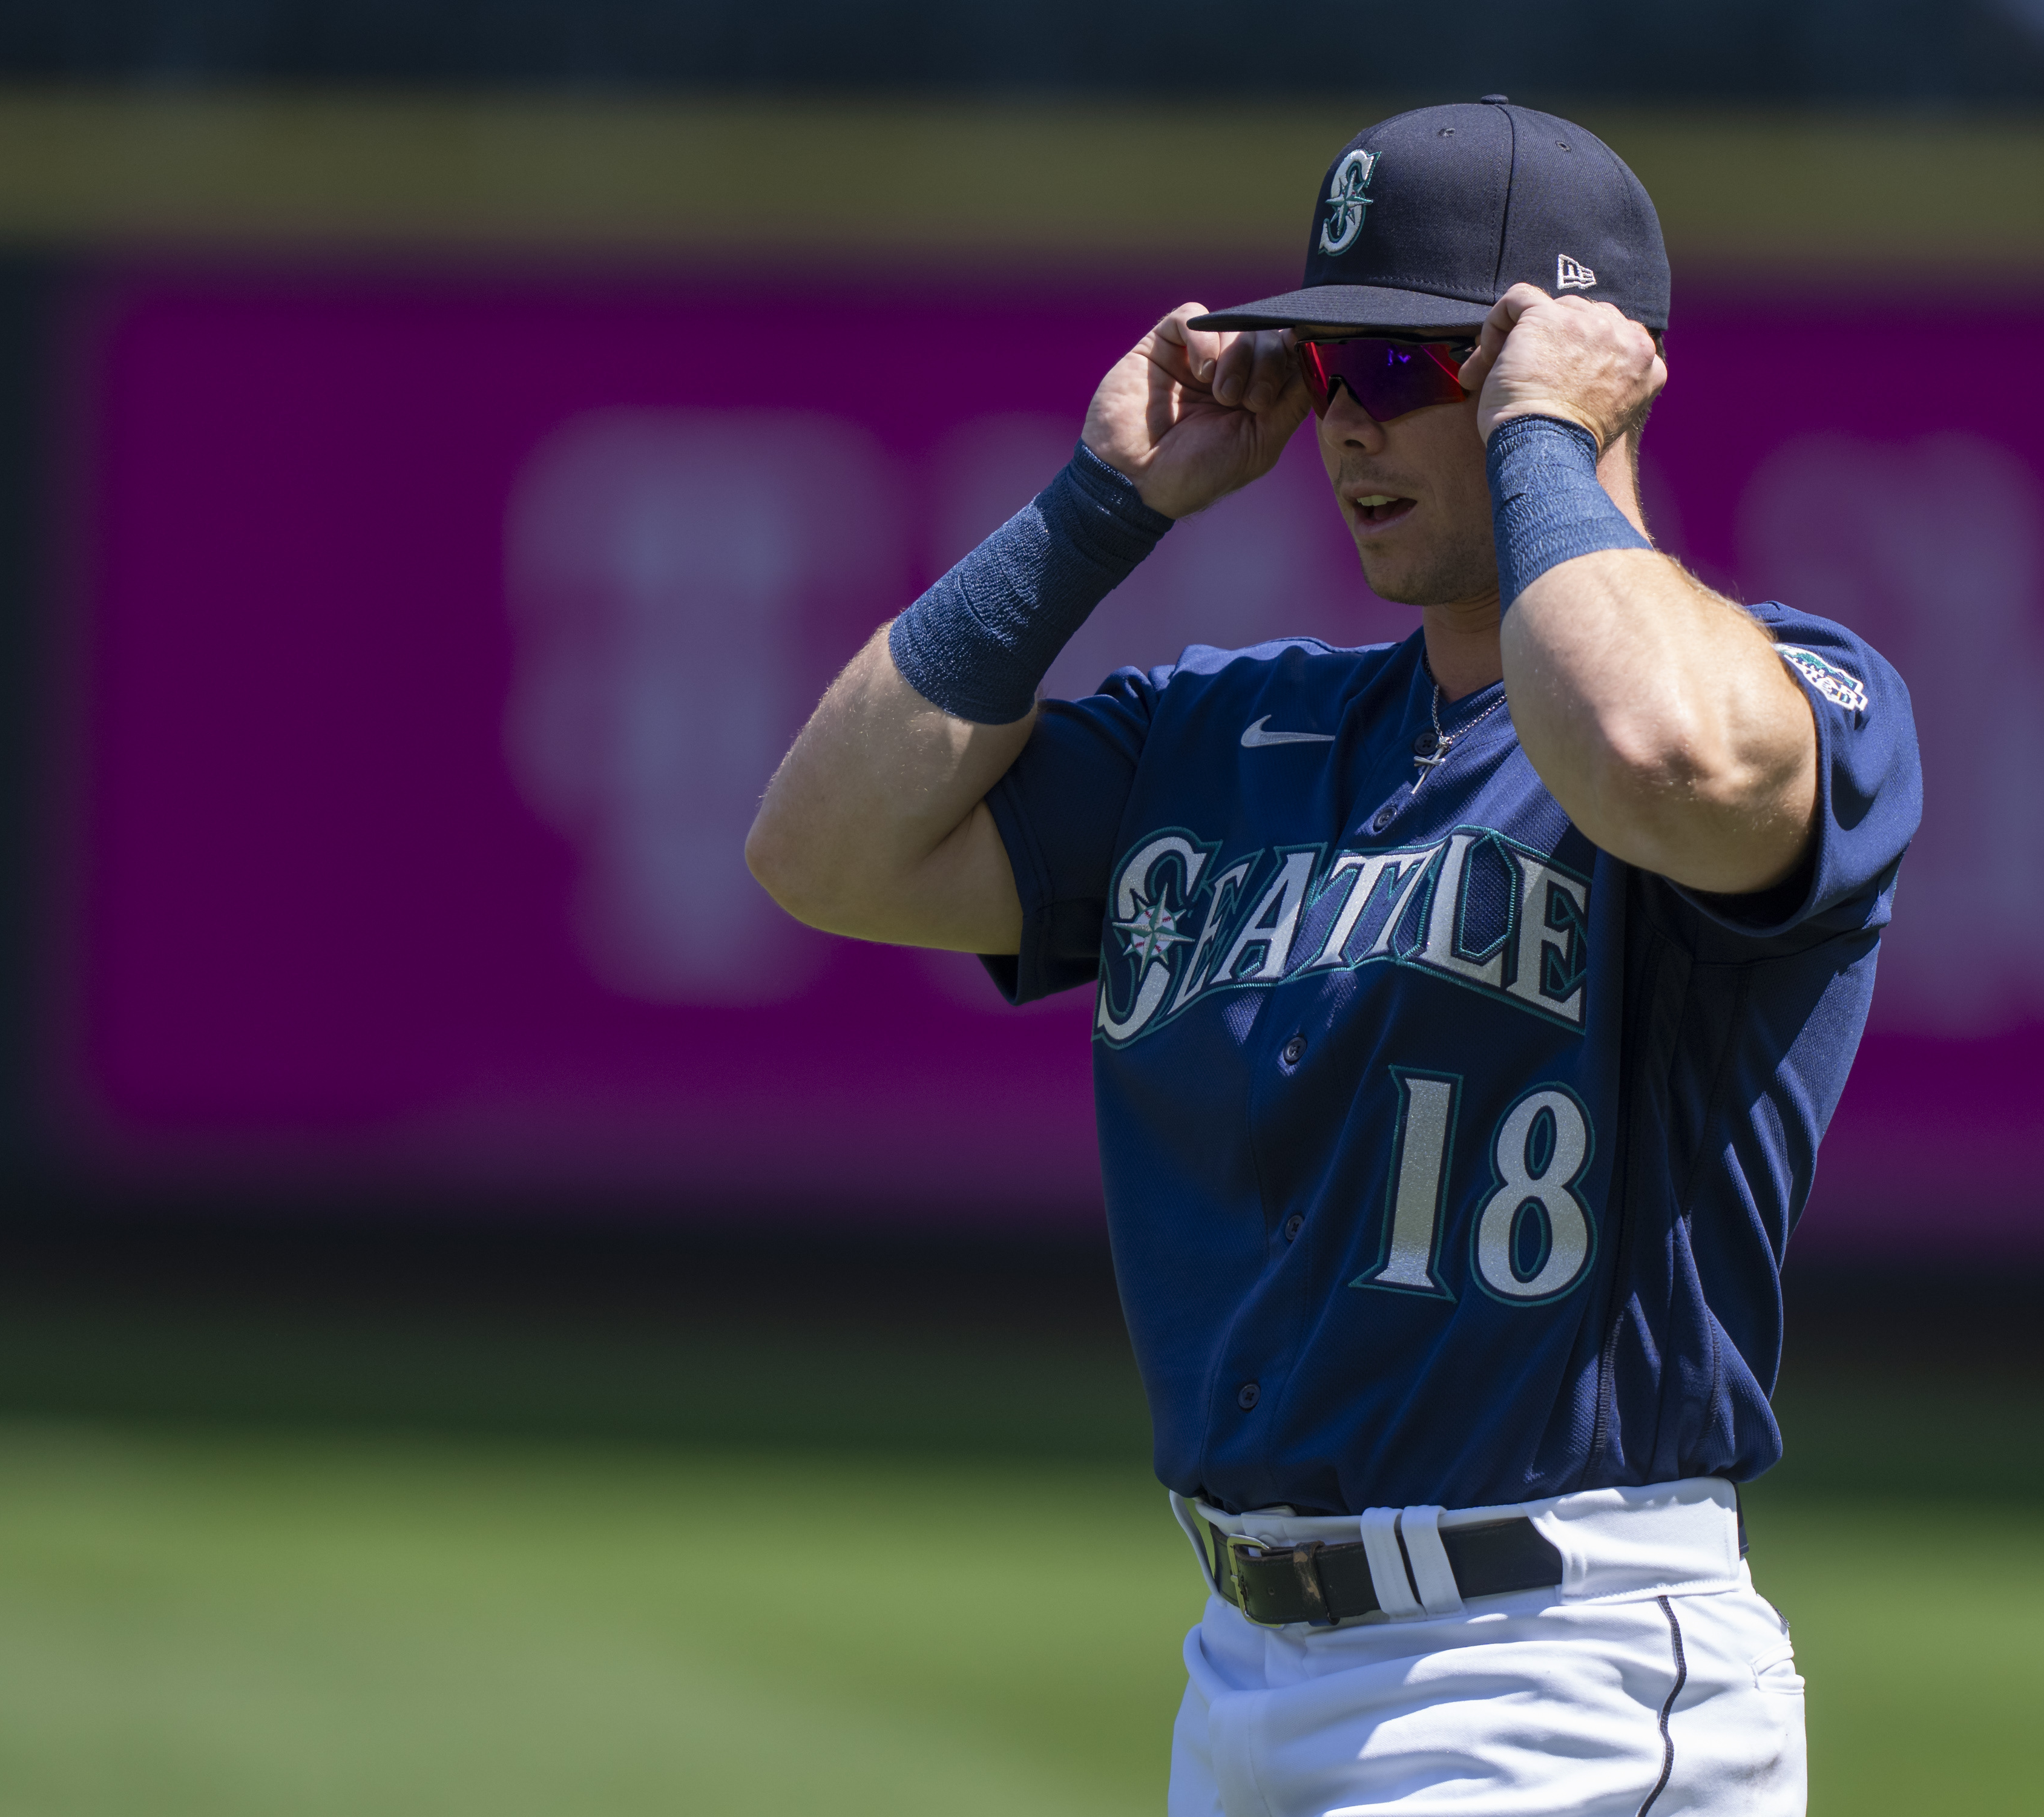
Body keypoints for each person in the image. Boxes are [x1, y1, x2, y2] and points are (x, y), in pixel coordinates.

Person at [747, 96, 1919, 1817]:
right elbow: (827, 850)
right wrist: (1098, 508)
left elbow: (1653, 750)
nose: (1344, 428)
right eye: (1327, 371)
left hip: (1557, 1671)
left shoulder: (1798, 689)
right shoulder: (1229, 731)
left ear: (1583, 366)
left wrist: (1536, 449)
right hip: (1241, 1676)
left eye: (1403, 370)